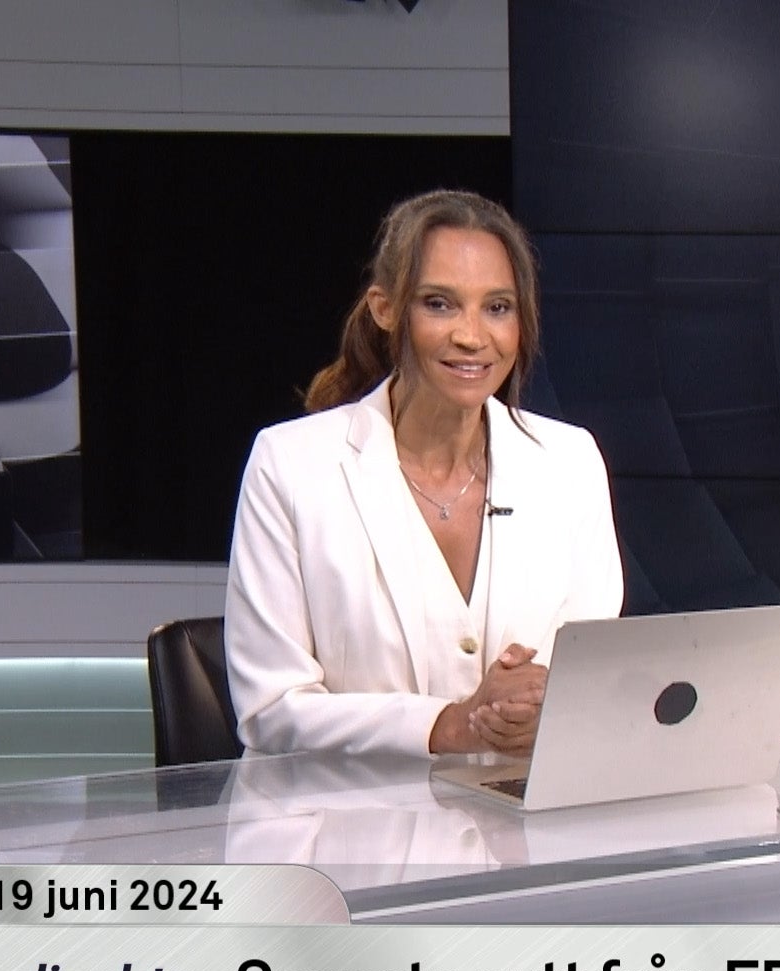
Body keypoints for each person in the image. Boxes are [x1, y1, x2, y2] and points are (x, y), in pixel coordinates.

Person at [224, 190, 623, 758]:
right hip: (343, 812)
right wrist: (449, 725)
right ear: (385, 308)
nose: (472, 336)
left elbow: (592, 677)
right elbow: (271, 709)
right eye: (440, 304)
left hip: (522, 810)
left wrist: (543, 710)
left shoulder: (570, 461)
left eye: (497, 307)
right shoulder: (290, 465)